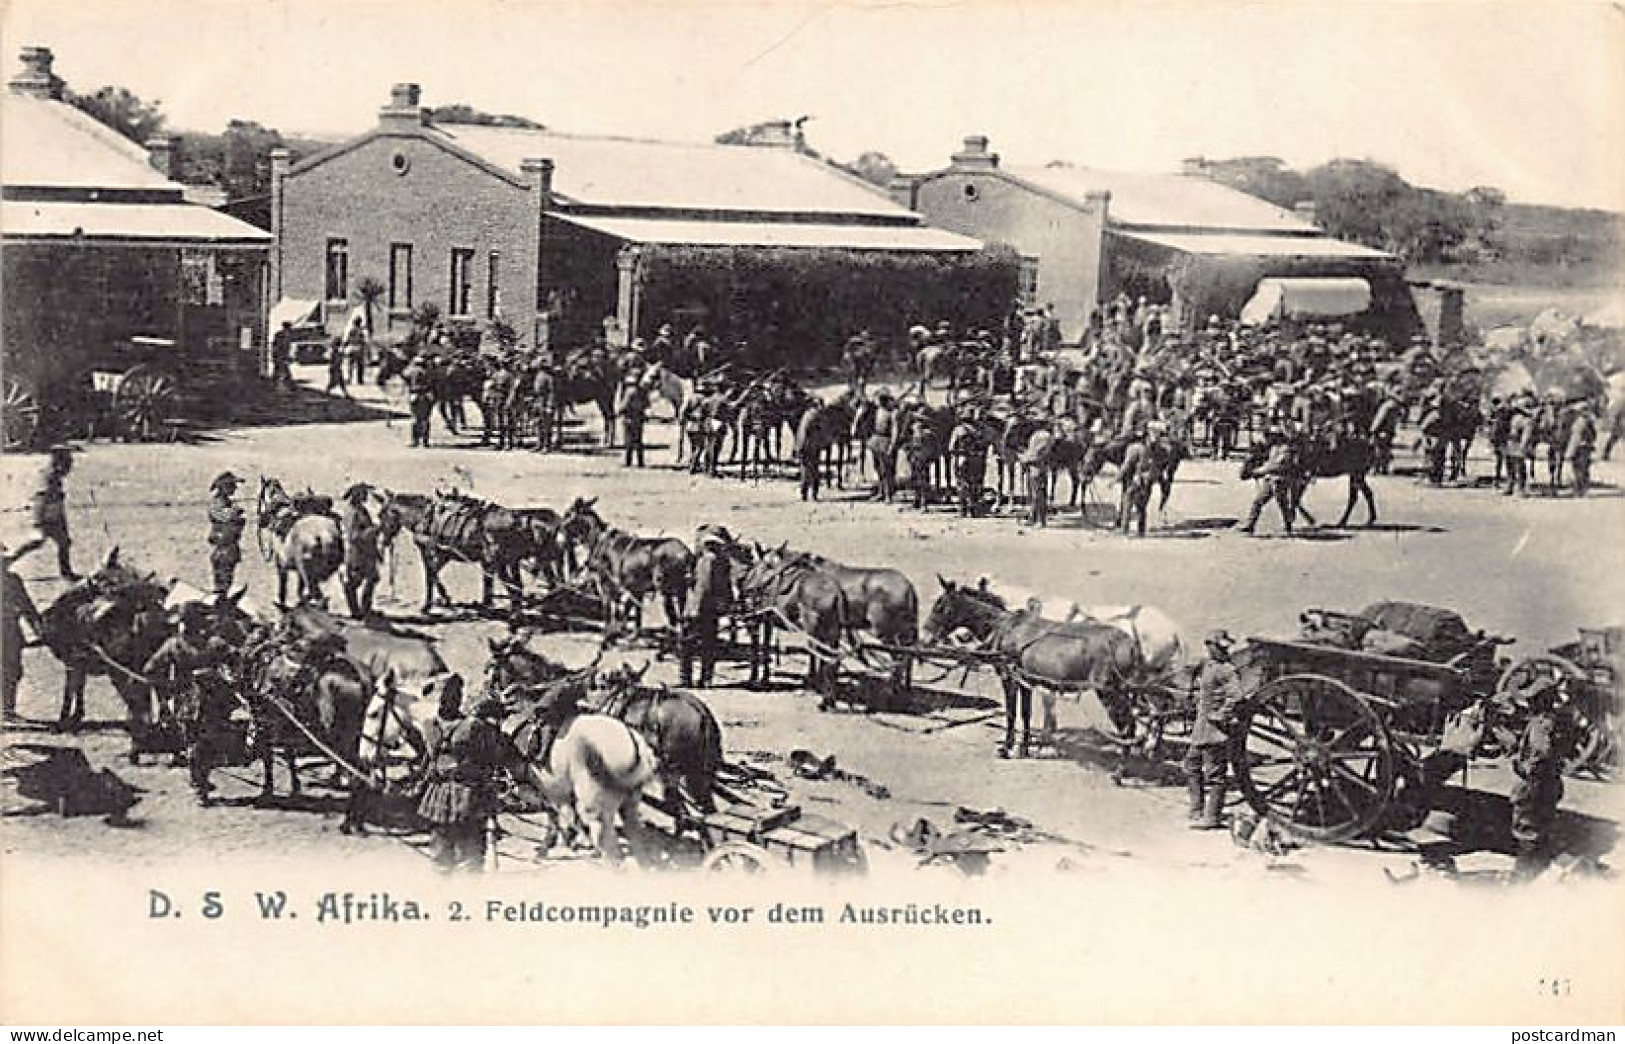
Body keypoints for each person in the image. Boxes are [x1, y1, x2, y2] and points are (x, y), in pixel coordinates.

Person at [143, 602, 235, 803]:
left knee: (195, 742)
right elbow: (235, 660)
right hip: (213, 699)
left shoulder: (174, 644)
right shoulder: (215, 643)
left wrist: (166, 688)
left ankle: (199, 783)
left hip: (187, 700)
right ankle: (200, 782)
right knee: (205, 743)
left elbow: (150, 669)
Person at [417, 695, 519, 872]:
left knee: (440, 857)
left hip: (438, 795)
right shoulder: (474, 726)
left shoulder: (428, 726)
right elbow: (495, 755)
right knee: (470, 858)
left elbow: (427, 760)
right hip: (469, 796)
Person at [1509, 678, 1574, 881]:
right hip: (1551, 781)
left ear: (1541, 700)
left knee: (1526, 828)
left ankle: (1522, 875)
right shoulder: (1557, 720)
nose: (1529, 703)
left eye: (1533, 699)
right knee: (1543, 824)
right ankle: (1541, 869)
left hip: (1534, 782)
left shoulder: (1540, 724)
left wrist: (1525, 767)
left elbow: (1541, 752)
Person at [1185, 630, 1245, 830]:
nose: (1218, 650)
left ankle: (1212, 817)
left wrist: (1222, 714)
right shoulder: (1208, 666)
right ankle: (1196, 810)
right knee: (1191, 765)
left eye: (1221, 647)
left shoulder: (1227, 670)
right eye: (1214, 647)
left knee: (1215, 774)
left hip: (1215, 730)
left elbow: (1236, 696)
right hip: (1200, 728)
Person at [681, 525, 733, 688]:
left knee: (687, 645)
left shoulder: (707, 561)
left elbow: (704, 586)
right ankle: (706, 678)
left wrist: (693, 608)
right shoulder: (721, 561)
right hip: (712, 609)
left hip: (699, 608)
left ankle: (686, 679)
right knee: (709, 645)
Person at [1, 545, 45, 724]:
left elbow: (27, 607)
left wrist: (38, 628)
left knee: (13, 670)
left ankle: (7, 710)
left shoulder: (14, 581)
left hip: (10, 630)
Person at [25, 446, 77, 580]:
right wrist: (37, 522)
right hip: (45, 518)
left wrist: (62, 520)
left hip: (55, 517)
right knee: (36, 541)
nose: (70, 468)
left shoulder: (56, 477)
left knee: (64, 543)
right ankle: (8, 558)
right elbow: (40, 499)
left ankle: (66, 572)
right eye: (68, 464)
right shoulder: (48, 478)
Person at [1241, 428, 1298, 536]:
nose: (1269, 438)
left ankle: (1288, 527)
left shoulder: (1285, 449)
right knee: (1258, 502)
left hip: (1280, 481)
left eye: (1272, 436)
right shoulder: (1273, 448)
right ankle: (1250, 526)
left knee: (1283, 505)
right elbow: (1267, 462)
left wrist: (1258, 471)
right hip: (1270, 480)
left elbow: (1276, 465)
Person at [337, 484, 381, 619]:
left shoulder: (362, 510)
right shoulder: (352, 513)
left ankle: (365, 608)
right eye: (364, 494)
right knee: (353, 582)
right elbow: (354, 536)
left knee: (372, 578)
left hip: (367, 552)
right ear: (357, 495)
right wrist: (374, 530)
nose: (366, 497)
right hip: (357, 553)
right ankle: (355, 611)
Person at [206, 472, 247, 602]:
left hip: (229, 547)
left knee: (226, 580)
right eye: (231, 485)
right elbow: (225, 517)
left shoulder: (226, 503)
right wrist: (235, 512)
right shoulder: (217, 504)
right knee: (222, 582)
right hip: (223, 547)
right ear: (223, 487)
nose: (235, 488)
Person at [949, 404, 990, 518]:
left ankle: (963, 509)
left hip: (962, 458)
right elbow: (986, 444)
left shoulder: (958, 429)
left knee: (961, 483)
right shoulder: (981, 430)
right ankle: (973, 509)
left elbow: (951, 447)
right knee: (975, 484)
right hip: (977, 458)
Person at [1020, 423, 1055, 527]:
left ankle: (1040, 520)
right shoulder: (1037, 434)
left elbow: (1039, 453)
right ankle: (1033, 518)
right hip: (1032, 467)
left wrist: (1025, 459)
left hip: (1038, 467)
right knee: (1033, 495)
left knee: (1039, 495)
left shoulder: (1045, 436)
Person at [867, 392, 898, 503]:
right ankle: (881, 492)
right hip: (876, 440)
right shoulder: (877, 411)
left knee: (887, 470)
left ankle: (888, 495)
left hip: (886, 441)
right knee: (878, 469)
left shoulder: (892, 414)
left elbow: (895, 431)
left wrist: (892, 446)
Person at [1565, 401, 1597, 497]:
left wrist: (1569, 452)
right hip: (1585, 448)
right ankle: (1582, 490)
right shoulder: (1588, 421)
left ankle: (1580, 490)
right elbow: (1593, 436)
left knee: (1579, 470)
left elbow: (1576, 438)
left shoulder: (1581, 422)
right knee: (1583, 470)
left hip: (1580, 448)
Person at [620, 372, 649, 468]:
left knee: (628, 441)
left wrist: (619, 410)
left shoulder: (629, 392)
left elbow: (624, 406)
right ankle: (640, 462)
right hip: (639, 418)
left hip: (629, 418)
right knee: (639, 441)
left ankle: (628, 461)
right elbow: (646, 404)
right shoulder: (642, 391)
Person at [406, 354, 435, 448]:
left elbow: (405, 377)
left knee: (415, 418)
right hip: (427, 395)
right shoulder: (429, 372)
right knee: (426, 419)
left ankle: (415, 440)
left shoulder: (411, 371)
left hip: (415, 395)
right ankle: (425, 441)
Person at [343, 316, 369, 385]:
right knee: (360, 365)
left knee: (350, 365)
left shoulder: (351, 330)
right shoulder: (362, 331)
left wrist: (344, 347)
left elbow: (347, 340)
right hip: (359, 349)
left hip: (351, 348)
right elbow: (364, 341)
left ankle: (349, 379)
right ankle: (360, 380)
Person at [270, 321, 295, 386]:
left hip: (281, 355)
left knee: (280, 369)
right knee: (280, 369)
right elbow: (277, 346)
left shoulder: (281, 334)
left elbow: (275, 345)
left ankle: (277, 382)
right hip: (280, 355)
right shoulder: (283, 335)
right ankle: (287, 383)